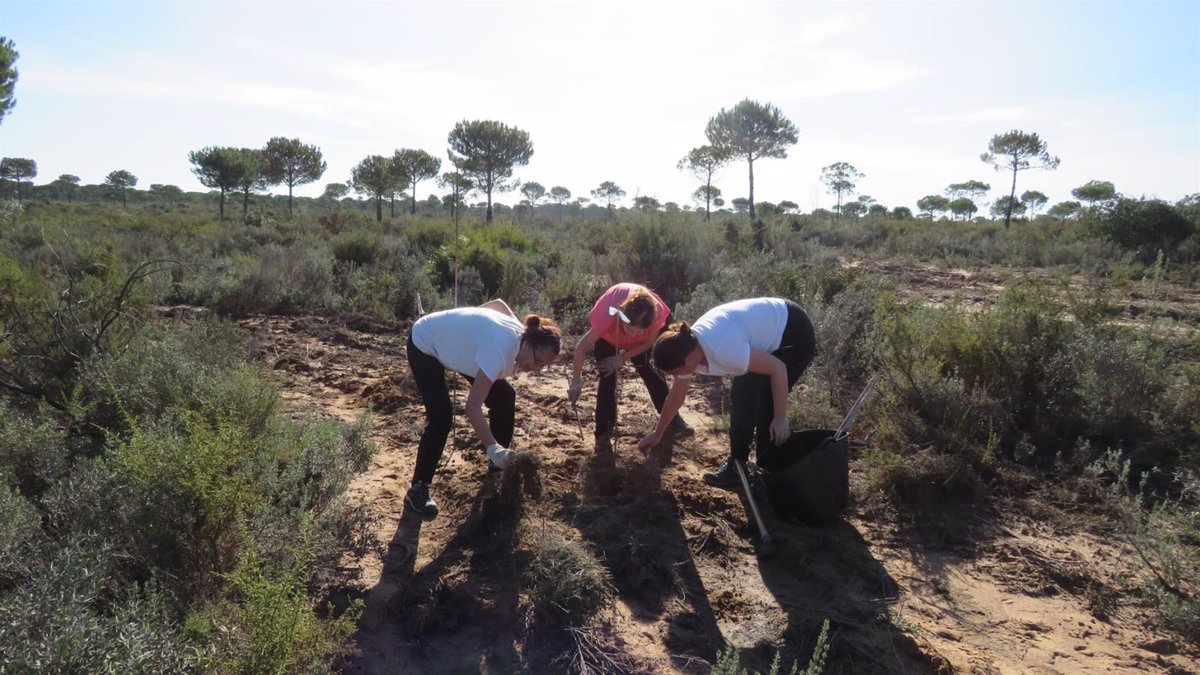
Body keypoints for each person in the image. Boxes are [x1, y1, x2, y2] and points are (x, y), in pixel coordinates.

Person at [405, 299, 562, 520]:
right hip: (425, 344)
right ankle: (418, 488)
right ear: (527, 344)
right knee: (441, 417)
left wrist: (469, 329)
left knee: (505, 396)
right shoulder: (498, 351)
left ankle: (498, 470)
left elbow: (498, 304)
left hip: (460, 347)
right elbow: (472, 407)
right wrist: (491, 447)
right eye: (537, 361)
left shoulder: (519, 332)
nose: (536, 369)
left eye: (543, 366)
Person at [637, 297, 816, 487]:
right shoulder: (688, 348)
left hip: (794, 332)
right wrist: (658, 434)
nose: (675, 377)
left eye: (674, 373)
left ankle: (767, 478)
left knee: (767, 404)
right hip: (761, 336)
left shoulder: (723, 349)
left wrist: (780, 418)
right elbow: (675, 398)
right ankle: (736, 466)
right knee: (741, 396)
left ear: (689, 359)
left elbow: (778, 368)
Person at [568, 283, 693, 453]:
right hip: (609, 337)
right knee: (607, 376)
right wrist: (576, 380)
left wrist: (621, 358)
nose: (632, 334)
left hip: (641, 343)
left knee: (648, 370)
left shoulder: (655, 317)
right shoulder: (608, 315)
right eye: (629, 328)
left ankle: (672, 419)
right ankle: (603, 434)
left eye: (637, 331)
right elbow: (582, 347)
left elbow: (649, 343)